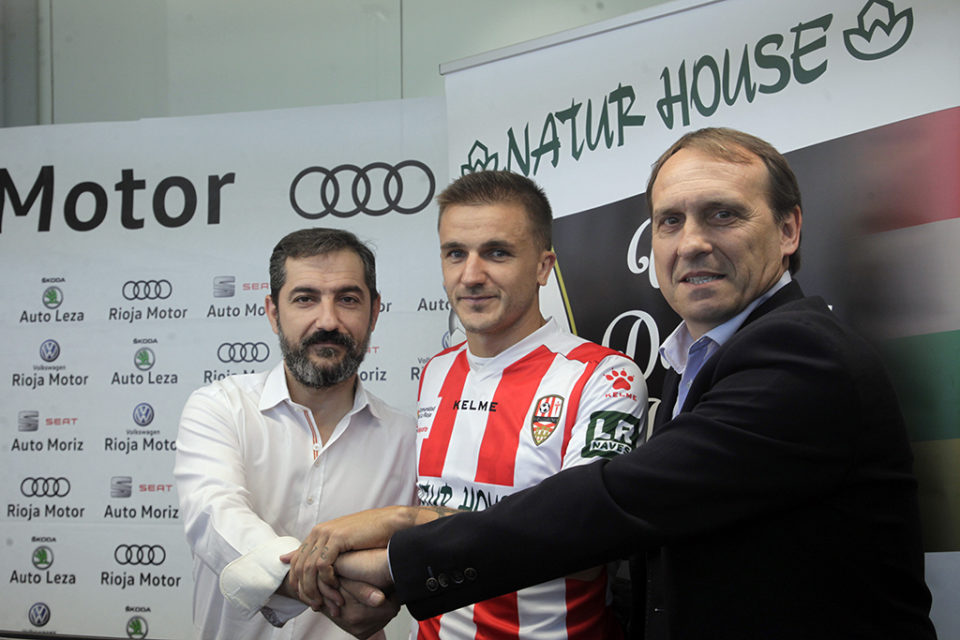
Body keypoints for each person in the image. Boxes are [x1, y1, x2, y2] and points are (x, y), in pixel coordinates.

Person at [303, 129, 937, 639]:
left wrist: (402, 548)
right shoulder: (686, 359)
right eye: (669, 221)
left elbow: (612, 505)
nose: (691, 243)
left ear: (790, 230)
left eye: (722, 215)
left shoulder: (801, 355)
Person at [287, 171, 648, 639]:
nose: (471, 275)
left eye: (497, 253)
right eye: (455, 253)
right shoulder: (438, 369)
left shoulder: (604, 376)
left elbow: (584, 549)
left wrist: (401, 523)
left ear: (543, 267)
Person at [174, 228, 417, 640]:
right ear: (273, 312)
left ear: (374, 311)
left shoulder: (408, 439)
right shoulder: (219, 408)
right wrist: (326, 575)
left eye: (348, 299)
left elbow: (425, 554)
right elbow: (215, 519)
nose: (328, 320)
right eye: (305, 299)